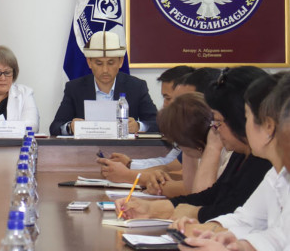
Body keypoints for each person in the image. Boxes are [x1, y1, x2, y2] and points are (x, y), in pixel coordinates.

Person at [115, 66, 271, 223]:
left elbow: (227, 210)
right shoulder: (241, 153)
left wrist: (192, 213)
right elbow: (211, 195)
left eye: (218, 121)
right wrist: (151, 208)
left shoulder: (262, 159)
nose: (216, 128)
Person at [174, 73, 290, 251]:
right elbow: (265, 229)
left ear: (269, 126)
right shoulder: (276, 173)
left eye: (246, 116)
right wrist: (238, 243)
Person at [50, 31, 157, 136]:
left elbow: (157, 124)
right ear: (89, 62)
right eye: (99, 63)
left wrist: (138, 126)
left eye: (111, 63)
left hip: (124, 147)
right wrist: (70, 127)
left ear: (120, 62)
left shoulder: (136, 87)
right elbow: (55, 127)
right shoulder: (74, 88)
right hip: (87, 147)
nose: (105, 70)